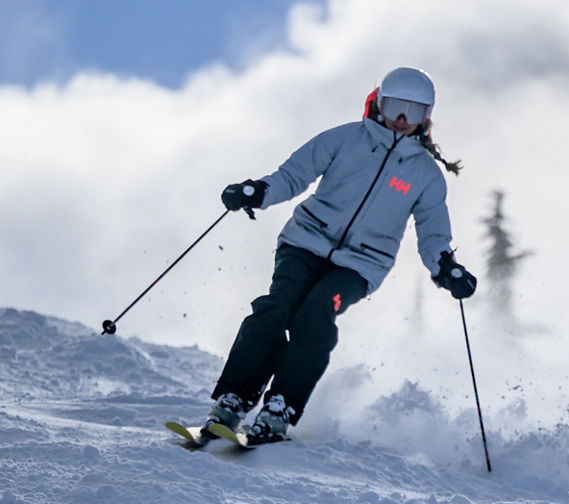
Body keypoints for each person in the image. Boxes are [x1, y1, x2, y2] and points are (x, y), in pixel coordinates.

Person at [195, 66, 477, 444]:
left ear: (427, 116)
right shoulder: (347, 139)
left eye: (414, 110)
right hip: (304, 242)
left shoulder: (425, 175)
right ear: (378, 101)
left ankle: (280, 407)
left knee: (316, 315)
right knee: (277, 307)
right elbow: (293, 175)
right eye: (395, 106)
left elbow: (433, 232)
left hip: (360, 265)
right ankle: (233, 399)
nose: (401, 119)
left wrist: (445, 267)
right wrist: (257, 192)